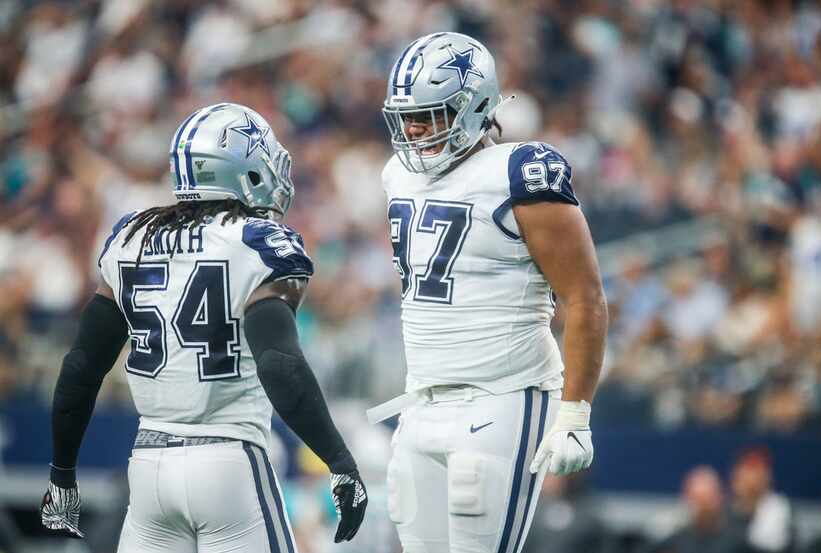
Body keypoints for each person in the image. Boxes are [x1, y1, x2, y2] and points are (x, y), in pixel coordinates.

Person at [39, 103, 367, 552]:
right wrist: (339, 460)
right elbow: (279, 364)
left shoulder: (131, 236)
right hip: (229, 462)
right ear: (244, 170)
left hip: (150, 468)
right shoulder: (258, 241)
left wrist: (62, 474)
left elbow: (82, 366)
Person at [373, 32, 608, 553]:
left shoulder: (521, 174)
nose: (414, 129)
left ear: (474, 108)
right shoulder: (397, 177)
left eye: (431, 115)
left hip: (502, 399)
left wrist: (575, 412)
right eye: (407, 116)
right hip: (421, 399)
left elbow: (584, 297)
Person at [650, 466, 748, 553]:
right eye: (697, 500)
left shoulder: (737, 541)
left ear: (719, 497)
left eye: (707, 499)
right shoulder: (674, 541)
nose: (702, 508)